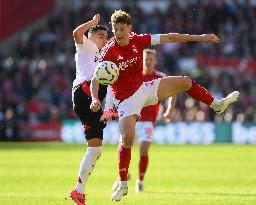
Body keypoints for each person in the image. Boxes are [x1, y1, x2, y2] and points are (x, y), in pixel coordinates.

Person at [90, 10, 240, 201]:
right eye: (115, 29)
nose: (118, 33)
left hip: (144, 89)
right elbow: (96, 79)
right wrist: (96, 99)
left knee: (185, 82)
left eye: (122, 29)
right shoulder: (108, 51)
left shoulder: (139, 40)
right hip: (125, 100)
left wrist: (200, 38)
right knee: (127, 138)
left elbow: (170, 37)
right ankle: (123, 184)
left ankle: (216, 104)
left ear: (130, 29)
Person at [111, 48, 176, 193]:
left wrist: (169, 110)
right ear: (142, 60)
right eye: (146, 58)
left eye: (151, 59)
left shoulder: (160, 77)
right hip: (131, 119)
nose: (148, 61)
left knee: (143, 149)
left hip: (148, 120)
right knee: (124, 146)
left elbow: (174, 91)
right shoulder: (135, 76)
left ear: (156, 61)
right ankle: (122, 177)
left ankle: (139, 181)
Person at [69, 14, 109, 205]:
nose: (104, 39)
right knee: (95, 150)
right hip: (84, 91)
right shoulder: (86, 46)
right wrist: (92, 23)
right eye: (101, 35)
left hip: (92, 97)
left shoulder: (102, 56)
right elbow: (77, 32)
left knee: (95, 150)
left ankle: (79, 191)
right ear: (91, 36)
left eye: (106, 36)